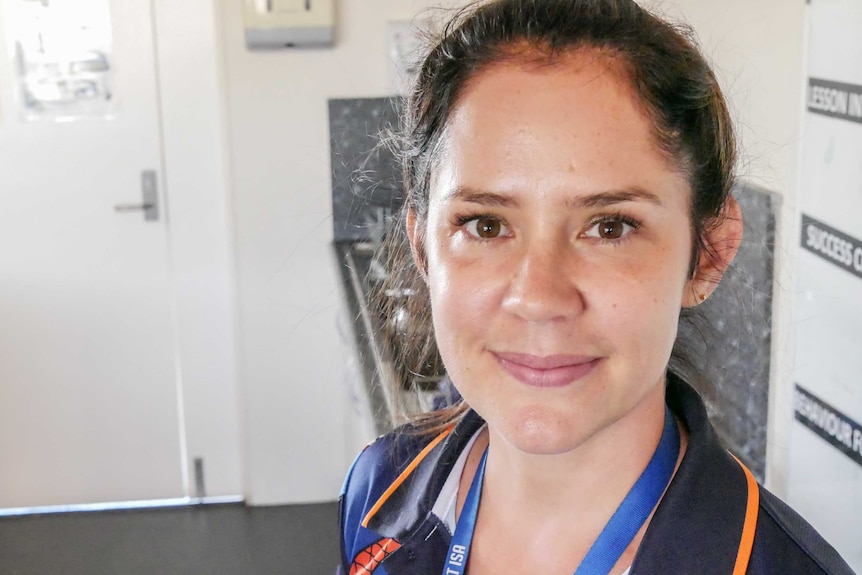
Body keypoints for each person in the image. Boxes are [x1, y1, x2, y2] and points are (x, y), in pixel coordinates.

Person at [338, 0, 856, 573]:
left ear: (706, 255)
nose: (538, 299)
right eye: (485, 225)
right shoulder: (379, 489)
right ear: (423, 247)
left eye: (610, 227)